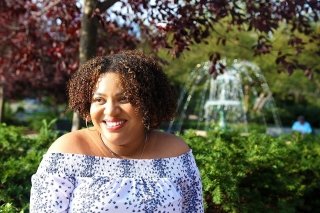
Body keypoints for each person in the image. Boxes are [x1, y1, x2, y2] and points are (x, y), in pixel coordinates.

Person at [30, 50, 204, 212]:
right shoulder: (67, 152)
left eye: (125, 99)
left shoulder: (176, 153)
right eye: (99, 100)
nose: (111, 111)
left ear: (148, 102)